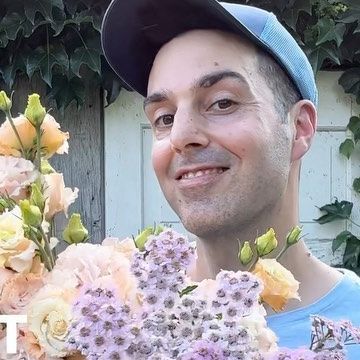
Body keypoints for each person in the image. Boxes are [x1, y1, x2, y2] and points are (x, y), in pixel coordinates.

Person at [101, 0, 360, 357]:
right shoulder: (115, 321)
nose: (180, 136)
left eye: (222, 103)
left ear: (299, 128)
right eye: (164, 117)